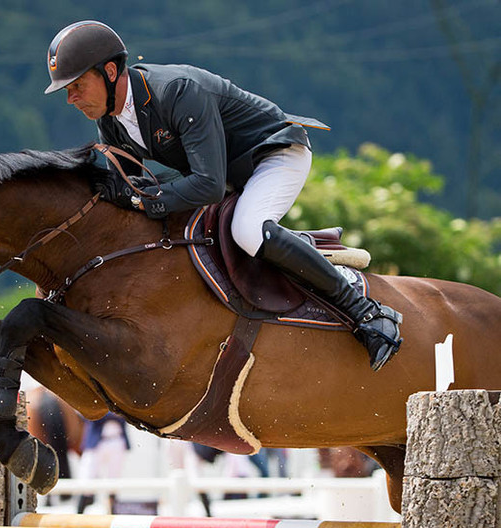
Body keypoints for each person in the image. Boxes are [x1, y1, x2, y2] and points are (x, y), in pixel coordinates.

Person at [43, 20, 402, 371]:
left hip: (273, 155)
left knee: (247, 230)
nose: (71, 99)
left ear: (109, 71)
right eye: (67, 91)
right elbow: (135, 190)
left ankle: (365, 310)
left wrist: (141, 199)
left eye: (76, 86)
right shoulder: (110, 119)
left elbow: (206, 186)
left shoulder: (176, 90)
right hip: (227, 173)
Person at [76, 412, 130, 514]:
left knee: (114, 481)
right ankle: (79, 513)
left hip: (116, 439)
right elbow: (86, 414)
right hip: (96, 441)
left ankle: (113, 513)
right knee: (86, 478)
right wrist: (111, 414)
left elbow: (126, 414)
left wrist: (107, 413)